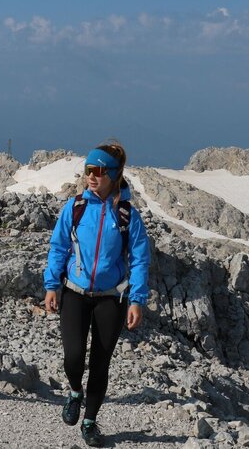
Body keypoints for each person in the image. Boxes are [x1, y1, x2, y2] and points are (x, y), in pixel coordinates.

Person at [43, 142, 150, 447]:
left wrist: (137, 300)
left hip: (111, 298)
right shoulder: (75, 207)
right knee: (74, 356)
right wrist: (52, 284)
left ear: (114, 175)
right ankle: (75, 391)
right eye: (88, 170)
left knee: (101, 362)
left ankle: (90, 421)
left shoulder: (128, 215)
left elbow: (140, 259)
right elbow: (59, 246)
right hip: (75, 292)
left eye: (99, 171)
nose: (91, 176)